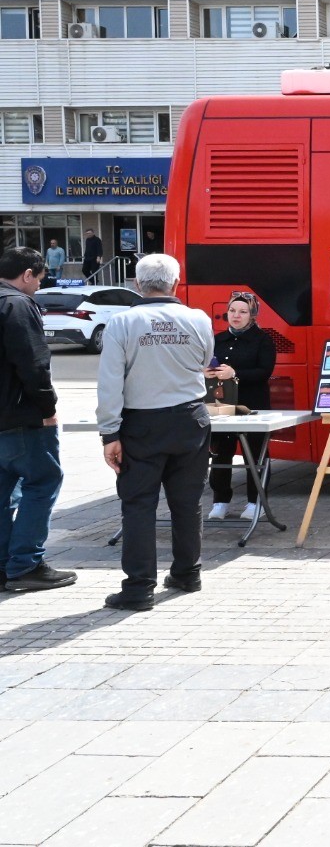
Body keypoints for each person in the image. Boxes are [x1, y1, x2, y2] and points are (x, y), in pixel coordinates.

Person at [96, 254, 213, 611]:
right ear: (176, 283)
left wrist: (109, 433)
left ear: (137, 284)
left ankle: (138, 588)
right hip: (190, 418)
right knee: (187, 501)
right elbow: (204, 361)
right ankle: (187, 573)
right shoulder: (198, 319)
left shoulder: (122, 322)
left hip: (142, 424)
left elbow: (110, 382)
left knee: (138, 505)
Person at [0, 248, 73, 593]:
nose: (39, 287)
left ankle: (4, 566)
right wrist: (48, 409)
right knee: (43, 482)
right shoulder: (17, 305)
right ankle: (26, 564)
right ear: (27, 274)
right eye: (40, 279)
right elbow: (33, 364)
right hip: (22, 418)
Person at [206, 292, 277, 522]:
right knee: (221, 453)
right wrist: (208, 371)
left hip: (253, 405)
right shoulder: (218, 339)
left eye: (243, 311)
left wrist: (235, 373)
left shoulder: (263, 340)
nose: (236, 315)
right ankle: (220, 501)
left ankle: (255, 502)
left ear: (252, 315)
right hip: (223, 405)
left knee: (255, 455)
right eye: (232, 311)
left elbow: (264, 372)